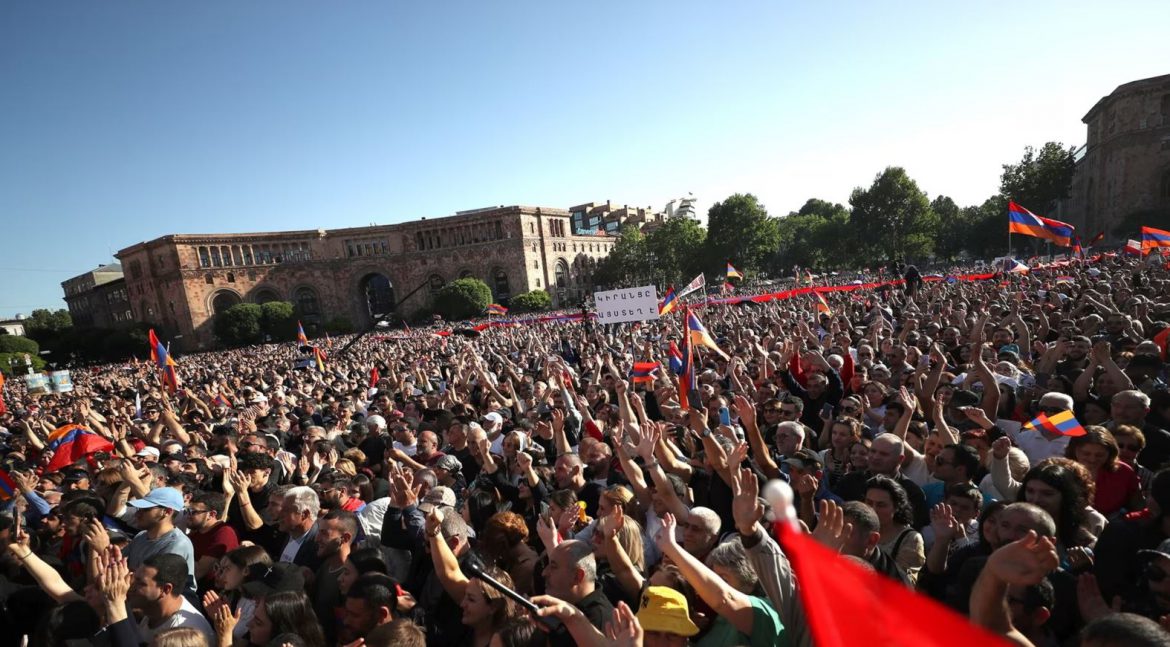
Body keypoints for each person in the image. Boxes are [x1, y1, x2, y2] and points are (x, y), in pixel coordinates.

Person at [864, 476, 925, 584]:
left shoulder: (910, 539)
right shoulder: (858, 529)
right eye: (869, 503)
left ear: (896, 507)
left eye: (881, 505)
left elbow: (905, 583)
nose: (873, 509)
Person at [186, 491, 239, 592]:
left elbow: (197, 572)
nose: (188, 515)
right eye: (188, 510)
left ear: (211, 514)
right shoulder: (198, 530)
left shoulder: (224, 534)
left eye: (194, 512)